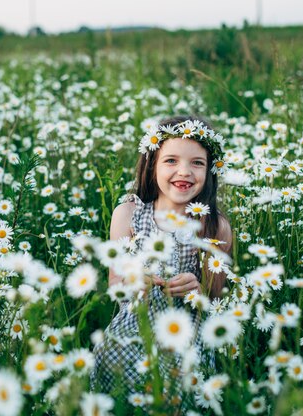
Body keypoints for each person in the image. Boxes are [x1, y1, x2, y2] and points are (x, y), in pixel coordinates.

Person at [91, 115, 233, 410]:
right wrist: (134, 280)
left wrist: (196, 289)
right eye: (171, 160)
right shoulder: (128, 214)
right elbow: (115, 283)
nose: (184, 171)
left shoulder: (215, 227)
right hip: (129, 338)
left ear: (210, 170)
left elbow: (214, 300)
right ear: (151, 164)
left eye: (197, 163)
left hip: (185, 344)